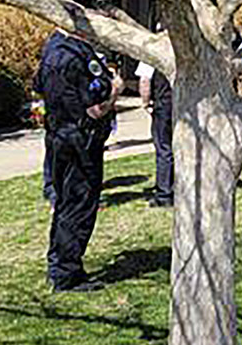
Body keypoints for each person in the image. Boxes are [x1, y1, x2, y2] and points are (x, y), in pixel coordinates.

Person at [34, 17, 120, 292]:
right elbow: (95, 108)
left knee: (64, 203)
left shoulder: (52, 49)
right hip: (80, 139)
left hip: (59, 136)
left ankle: (60, 264)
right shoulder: (75, 54)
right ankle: (66, 273)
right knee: (79, 205)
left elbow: (38, 87)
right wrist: (115, 90)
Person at [136, 47, 173, 208]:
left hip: (163, 105)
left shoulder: (152, 52)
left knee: (164, 149)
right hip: (184, 105)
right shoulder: (185, 51)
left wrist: (146, 103)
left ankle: (165, 193)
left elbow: (145, 81)